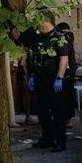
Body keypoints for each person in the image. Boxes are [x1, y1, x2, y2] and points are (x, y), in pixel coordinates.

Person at [22, 12, 72, 152]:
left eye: (39, 20)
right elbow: (33, 54)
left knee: (57, 111)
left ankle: (60, 141)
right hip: (40, 77)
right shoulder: (38, 37)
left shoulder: (58, 37)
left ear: (47, 20)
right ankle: (48, 138)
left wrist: (59, 78)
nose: (37, 23)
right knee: (42, 111)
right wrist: (32, 75)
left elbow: (63, 58)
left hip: (53, 78)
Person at [56, 22, 77, 126]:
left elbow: (67, 59)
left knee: (66, 97)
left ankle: (66, 119)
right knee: (65, 98)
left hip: (66, 74)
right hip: (65, 73)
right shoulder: (67, 41)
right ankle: (64, 118)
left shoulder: (64, 41)